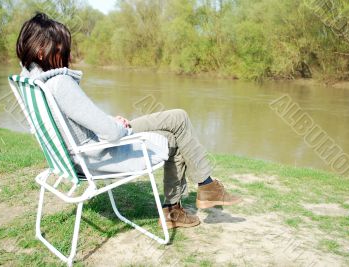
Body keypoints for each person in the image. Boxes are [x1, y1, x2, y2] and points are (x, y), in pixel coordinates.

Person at [17, 13, 242, 229]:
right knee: (176, 131)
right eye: (60, 48)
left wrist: (110, 120)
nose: (66, 54)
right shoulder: (59, 83)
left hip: (80, 154)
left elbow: (78, 122)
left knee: (178, 119)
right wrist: (118, 127)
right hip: (99, 154)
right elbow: (112, 134)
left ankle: (203, 189)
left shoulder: (31, 82)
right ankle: (193, 197)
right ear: (40, 51)